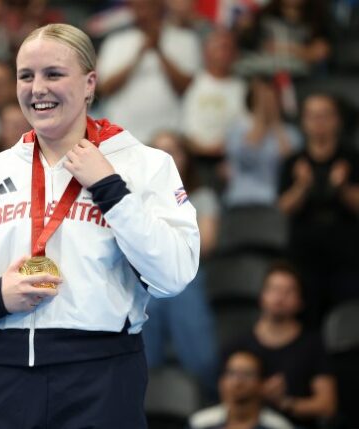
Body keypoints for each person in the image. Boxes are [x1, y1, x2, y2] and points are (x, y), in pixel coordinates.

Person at [0, 23, 200, 428]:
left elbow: (175, 273)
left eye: (53, 74)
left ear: (90, 83)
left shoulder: (144, 164)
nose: (37, 88)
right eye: (26, 75)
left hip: (101, 379)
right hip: (0, 379)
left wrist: (111, 189)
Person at [144, 130, 219, 397]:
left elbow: (205, 244)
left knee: (202, 359)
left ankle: (209, 397)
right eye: (159, 151)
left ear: (186, 158)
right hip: (148, 280)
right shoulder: (136, 197)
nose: (167, 157)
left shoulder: (201, 196)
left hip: (185, 277)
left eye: (173, 150)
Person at [277, 93, 359, 325]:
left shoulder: (352, 159)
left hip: (347, 256)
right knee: (306, 321)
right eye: (312, 116)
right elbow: (283, 208)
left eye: (325, 115)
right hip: (304, 256)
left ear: (337, 120)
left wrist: (343, 188)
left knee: (348, 320)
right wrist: (302, 185)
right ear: (303, 122)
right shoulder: (293, 162)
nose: (319, 122)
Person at [226, 262, 337, 429]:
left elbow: (327, 405)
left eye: (288, 291)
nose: (280, 297)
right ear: (262, 295)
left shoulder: (312, 345)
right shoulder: (239, 344)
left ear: (300, 301)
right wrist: (255, 392)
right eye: (274, 289)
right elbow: (225, 396)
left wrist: (285, 403)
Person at [97, 0, 202, 143]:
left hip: (168, 136)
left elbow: (188, 88)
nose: (143, 11)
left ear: (160, 6)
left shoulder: (185, 39)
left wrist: (159, 50)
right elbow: (105, 88)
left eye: (148, 5)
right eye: (138, 6)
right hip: (122, 136)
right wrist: (139, 54)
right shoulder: (115, 41)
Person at [223, 77, 301, 208]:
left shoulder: (291, 134)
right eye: (262, 100)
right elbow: (245, 157)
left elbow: (290, 164)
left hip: (274, 201)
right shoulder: (237, 130)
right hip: (239, 200)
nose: (267, 104)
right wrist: (260, 118)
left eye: (272, 98)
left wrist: (276, 123)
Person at [188, 349, 294, 429]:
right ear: (221, 381)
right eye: (231, 373)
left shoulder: (278, 426)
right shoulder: (199, 423)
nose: (237, 382)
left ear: (261, 383)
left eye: (247, 374)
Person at [182, 29, 247, 158]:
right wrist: (197, 146)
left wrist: (226, 146)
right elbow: (185, 124)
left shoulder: (242, 88)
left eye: (227, 48)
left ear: (236, 54)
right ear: (206, 52)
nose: (223, 53)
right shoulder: (192, 82)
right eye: (218, 47)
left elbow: (244, 126)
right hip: (193, 157)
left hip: (228, 160)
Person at [0, 0, 64, 67]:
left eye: (23, 3)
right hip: (6, 73)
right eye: (11, 3)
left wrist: (36, 15)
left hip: (36, 72)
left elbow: (59, 56)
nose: (17, 9)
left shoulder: (50, 19)